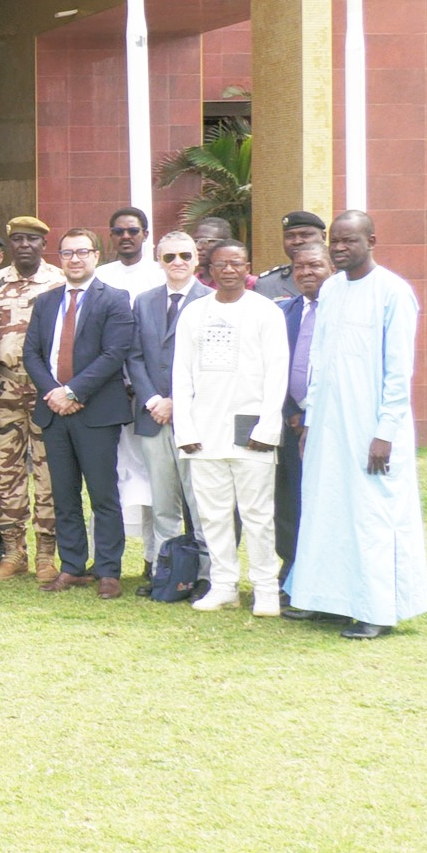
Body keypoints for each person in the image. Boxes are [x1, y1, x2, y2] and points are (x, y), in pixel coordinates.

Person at [286, 211, 427, 639]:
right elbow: (320, 360)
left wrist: (385, 431)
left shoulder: (393, 292)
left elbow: (397, 371)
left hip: (372, 428)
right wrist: (311, 418)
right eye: (335, 240)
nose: (339, 247)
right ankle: (330, 600)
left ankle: (377, 609)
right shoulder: (330, 289)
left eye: (349, 240)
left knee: (371, 514)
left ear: (372, 240)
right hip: (329, 424)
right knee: (328, 510)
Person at [172, 240, 288, 615]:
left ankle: (266, 589)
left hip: (251, 431)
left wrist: (268, 428)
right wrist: (185, 430)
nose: (228, 270)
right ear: (209, 269)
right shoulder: (194, 313)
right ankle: (224, 586)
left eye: (235, 263)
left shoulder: (265, 311)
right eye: (220, 264)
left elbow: (277, 374)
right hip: (204, 433)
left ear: (247, 267)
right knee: (213, 516)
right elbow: (181, 375)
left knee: (257, 515)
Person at [25, 228, 136, 600]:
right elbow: (32, 355)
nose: (75, 259)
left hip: (96, 412)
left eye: (83, 252)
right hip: (54, 412)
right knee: (64, 495)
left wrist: (73, 391)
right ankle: (72, 566)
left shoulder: (115, 299)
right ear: (59, 258)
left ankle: (108, 570)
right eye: (68, 252)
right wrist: (54, 394)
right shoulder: (45, 302)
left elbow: (115, 353)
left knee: (103, 495)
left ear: (96, 256)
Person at [126, 231, 212, 592]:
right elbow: (134, 356)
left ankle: (207, 575)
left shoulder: (211, 301)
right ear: (159, 260)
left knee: (201, 501)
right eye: (169, 257)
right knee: (163, 503)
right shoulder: (144, 302)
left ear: (196, 259)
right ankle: (166, 572)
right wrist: (153, 401)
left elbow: (211, 364)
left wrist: (177, 402)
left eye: (185, 256)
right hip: (152, 416)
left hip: (195, 417)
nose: (177, 262)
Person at [0, 217, 66, 582]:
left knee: (49, 474)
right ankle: (14, 551)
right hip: (4, 390)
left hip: (45, 392)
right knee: (7, 473)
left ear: (43, 245)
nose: (24, 246)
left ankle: (47, 554)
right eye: (17, 239)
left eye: (31, 240)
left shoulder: (59, 283)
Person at [94, 207, 166, 566]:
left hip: (148, 395)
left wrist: (147, 389)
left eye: (133, 231)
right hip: (104, 393)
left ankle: (155, 558)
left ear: (145, 234)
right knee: (106, 475)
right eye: (119, 231)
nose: (126, 237)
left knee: (153, 476)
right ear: (111, 235)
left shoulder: (159, 275)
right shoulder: (100, 276)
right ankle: (105, 559)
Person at [275, 241, 332, 585]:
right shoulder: (284, 311)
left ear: (331, 269)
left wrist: (311, 416)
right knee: (288, 501)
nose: (306, 272)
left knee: (321, 501)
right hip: (288, 424)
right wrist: (290, 411)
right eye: (299, 267)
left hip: (326, 424)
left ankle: (320, 574)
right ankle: (291, 571)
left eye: (315, 265)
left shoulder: (340, 311)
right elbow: (271, 366)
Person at [253, 211, 326, 300]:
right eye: (290, 236)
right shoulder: (267, 284)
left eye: (305, 235)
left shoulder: (343, 277)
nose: (297, 241)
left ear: (323, 237)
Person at [190, 217, 235, 288]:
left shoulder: (248, 283)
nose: (198, 247)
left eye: (205, 241)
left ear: (226, 243)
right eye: (195, 241)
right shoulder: (190, 283)